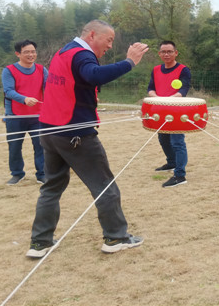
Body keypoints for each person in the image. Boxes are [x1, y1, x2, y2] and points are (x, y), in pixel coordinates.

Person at [26, 20, 149, 258]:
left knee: (51, 187)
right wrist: (130, 61)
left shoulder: (65, 51)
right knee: (104, 185)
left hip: (49, 131)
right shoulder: (82, 54)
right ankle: (116, 237)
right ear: (92, 35)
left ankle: (40, 242)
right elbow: (93, 75)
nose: (110, 46)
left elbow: (72, 84)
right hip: (74, 133)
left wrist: (87, 98)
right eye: (109, 40)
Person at [2, 40, 48, 185]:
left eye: (33, 51)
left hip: (37, 116)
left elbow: (50, 89)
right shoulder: (8, 70)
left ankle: (42, 174)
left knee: (41, 145)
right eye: (26, 52)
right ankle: (17, 174)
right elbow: (8, 91)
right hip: (15, 116)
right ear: (18, 54)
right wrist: (24, 99)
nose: (31, 54)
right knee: (14, 146)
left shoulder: (42, 70)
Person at [147, 40, 192, 188]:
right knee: (163, 139)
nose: (166, 54)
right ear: (159, 54)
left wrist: (167, 100)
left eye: (169, 52)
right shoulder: (155, 70)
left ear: (175, 53)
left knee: (177, 142)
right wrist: (157, 99)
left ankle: (180, 175)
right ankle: (171, 163)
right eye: (163, 52)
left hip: (177, 111)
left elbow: (183, 91)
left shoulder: (183, 70)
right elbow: (150, 88)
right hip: (161, 111)